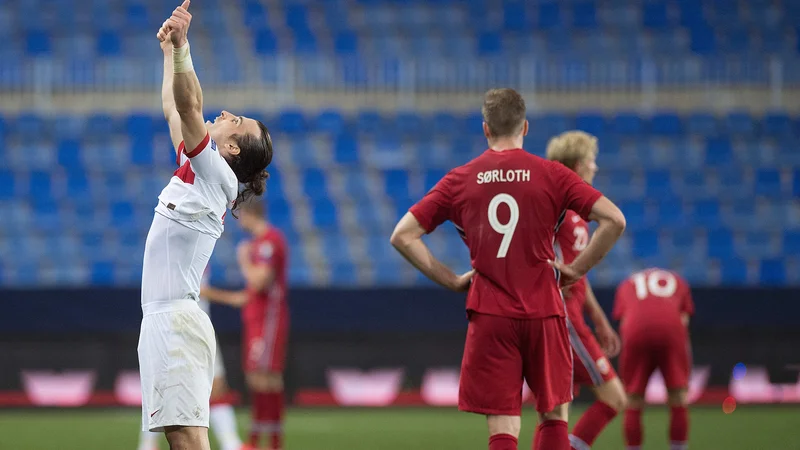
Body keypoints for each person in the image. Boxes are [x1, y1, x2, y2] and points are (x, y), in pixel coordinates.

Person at [390, 88, 626, 450]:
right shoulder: (552, 175)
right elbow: (614, 220)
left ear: (485, 129)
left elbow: (402, 235)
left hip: (490, 314)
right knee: (553, 415)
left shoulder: (460, 179)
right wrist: (576, 270)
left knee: (503, 426)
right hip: (544, 310)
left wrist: (452, 280)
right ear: (526, 127)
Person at [138, 1, 273, 449]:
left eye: (234, 121)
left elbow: (190, 104)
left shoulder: (216, 174)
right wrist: (168, 52)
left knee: (187, 440)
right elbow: (174, 112)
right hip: (164, 318)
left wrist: (183, 49)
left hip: (175, 319)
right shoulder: (200, 171)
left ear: (232, 149)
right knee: (183, 439)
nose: (226, 112)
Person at [545, 131, 627, 450]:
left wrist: (598, 316)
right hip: (564, 320)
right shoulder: (558, 206)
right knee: (613, 397)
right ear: (579, 166)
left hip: (574, 316)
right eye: (592, 161)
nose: (595, 168)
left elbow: (578, 271)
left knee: (556, 413)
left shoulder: (579, 211)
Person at [202, 199, 289, 450]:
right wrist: (209, 293)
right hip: (256, 316)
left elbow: (259, 282)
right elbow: (246, 296)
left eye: (241, 216)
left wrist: (243, 259)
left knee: (265, 378)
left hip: (268, 319)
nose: (240, 223)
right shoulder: (261, 244)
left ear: (251, 214)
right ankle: (263, 438)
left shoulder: (267, 242)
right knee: (258, 377)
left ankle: (268, 440)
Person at [137, 270, 243, 450]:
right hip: (186, 324)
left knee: (166, 388)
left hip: (187, 322)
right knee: (169, 389)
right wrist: (231, 298)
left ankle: (147, 444)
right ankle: (231, 443)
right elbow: (191, 288)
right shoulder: (187, 247)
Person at [613, 268, 694, 450]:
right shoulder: (679, 281)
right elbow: (684, 319)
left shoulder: (626, 284)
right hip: (672, 331)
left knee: (633, 399)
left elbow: (624, 319)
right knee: (678, 397)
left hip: (636, 330)